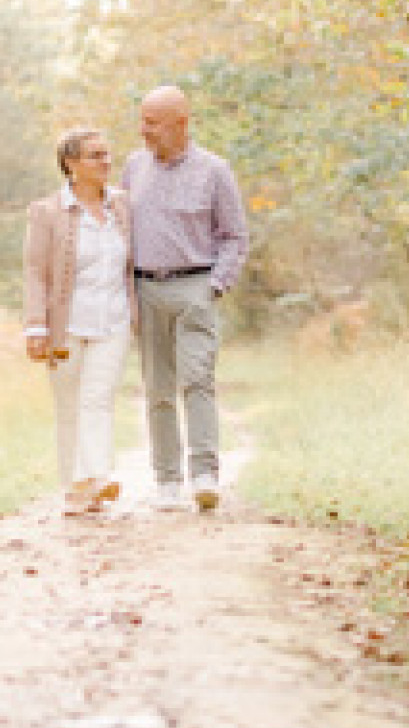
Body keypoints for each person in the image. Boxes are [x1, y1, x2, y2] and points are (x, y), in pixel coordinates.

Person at [122, 86, 248, 515]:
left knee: (198, 379)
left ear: (181, 123)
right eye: (142, 121)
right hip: (146, 288)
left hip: (194, 285)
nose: (144, 131)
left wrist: (214, 286)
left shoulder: (214, 170)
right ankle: (167, 481)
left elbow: (234, 236)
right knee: (157, 388)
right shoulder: (133, 167)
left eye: (153, 123)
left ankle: (205, 475)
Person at [22, 124, 135, 518]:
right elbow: (36, 272)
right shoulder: (48, 211)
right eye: (95, 156)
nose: (106, 162)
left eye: (107, 154)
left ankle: (98, 477)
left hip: (114, 320)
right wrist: (35, 326)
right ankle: (74, 486)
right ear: (71, 164)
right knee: (69, 404)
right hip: (66, 324)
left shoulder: (122, 205)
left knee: (98, 399)